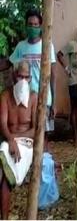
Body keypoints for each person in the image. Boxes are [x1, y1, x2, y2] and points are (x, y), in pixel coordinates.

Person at [9, 8, 56, 148]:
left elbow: (53, 75)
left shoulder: (47, 46)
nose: (33, 27)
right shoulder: (21, 47)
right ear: (26, 25)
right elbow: (10, 64)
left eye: (36, 25)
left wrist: (54, 102)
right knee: (28, 133)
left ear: (40, 26)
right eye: (30, 24)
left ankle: (43, 163)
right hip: (25, 99)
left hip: (43, 98)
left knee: (43, 133)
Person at [0, 61, 36, 219]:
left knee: (5, 177)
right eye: (20, 76)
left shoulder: (34, 98)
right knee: (2, 172)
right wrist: (10, 140)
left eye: (26, 77)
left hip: (26, 145)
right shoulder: (6, 96)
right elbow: (2, 123)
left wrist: (14, 140)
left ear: (30, 79)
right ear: (15, 76)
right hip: (8, 141)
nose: (23, 80)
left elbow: (35, 130)